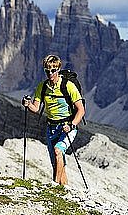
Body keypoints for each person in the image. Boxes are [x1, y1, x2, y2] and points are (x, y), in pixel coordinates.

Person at [22, 54, 85, 185]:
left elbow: (81, 110)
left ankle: (54, 186)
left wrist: (72, 125)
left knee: (58, 151)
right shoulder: (42, 87)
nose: (50, 73)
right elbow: (35, 108)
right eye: (47, 70)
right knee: (56, 163)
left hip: (67, 127)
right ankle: (65, 191)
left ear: (58, 69)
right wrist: (28, 105)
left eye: (53, 70)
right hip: (51, 128)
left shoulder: (68, 86)